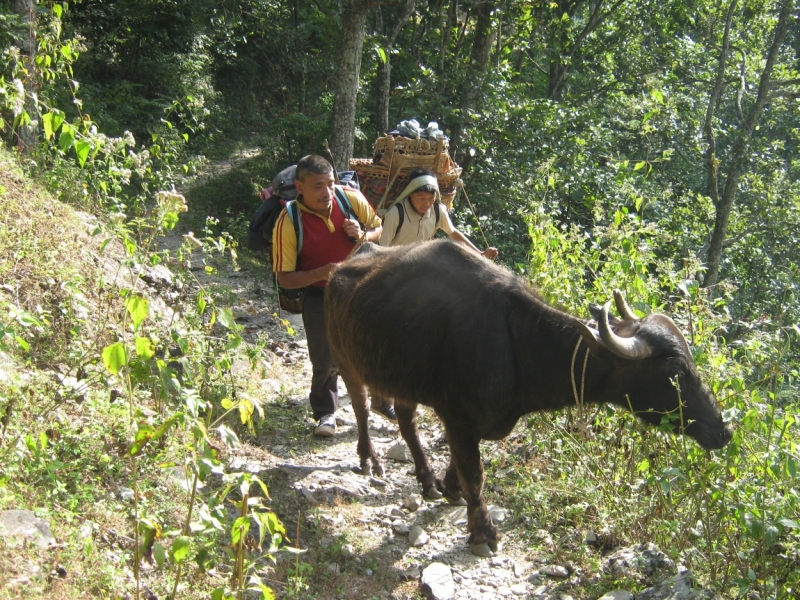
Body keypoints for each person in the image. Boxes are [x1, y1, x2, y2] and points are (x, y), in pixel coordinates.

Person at [272, 155, 382, 437]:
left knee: (372, 346)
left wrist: (363, 235)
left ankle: (383, 401)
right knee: (324, 358)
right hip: (319, 295)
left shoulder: (351, 199)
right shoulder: (289, 220)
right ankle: (325, 413)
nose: (327, 192)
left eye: (330, 184)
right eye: (318, 186)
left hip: (361, 288)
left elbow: (378, 228)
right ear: (300, 187)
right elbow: (284, 276)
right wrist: (322, 272)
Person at [378, 166, 499, 259]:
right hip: (394, 266)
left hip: (419, 266)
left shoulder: (437, 211)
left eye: (431, 198)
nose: (427, 204)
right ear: (410, 194)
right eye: (421, 198)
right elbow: (381, 250)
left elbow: (453, 233)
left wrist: (479, 254)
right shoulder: (396, 214)